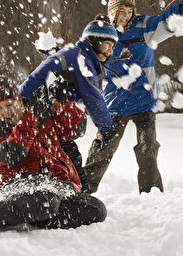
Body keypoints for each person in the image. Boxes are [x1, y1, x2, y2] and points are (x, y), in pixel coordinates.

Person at [0, 76, 106, 234]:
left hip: (56, 185)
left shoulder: (43, 115)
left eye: (9, 105)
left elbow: (77, 129)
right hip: (21, 185)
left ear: (19, 101)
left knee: (96, 209)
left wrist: (61, 104)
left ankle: (35, 216)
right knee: (44, 202)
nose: (5, 112)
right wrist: (30, 119)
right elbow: (13, 155)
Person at [82, 0, 183, 194]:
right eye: (121, 11)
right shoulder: (103, 32)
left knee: (148, 150)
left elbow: (166, 21)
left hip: (144, 100)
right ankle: (83, 190)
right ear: (112, 12)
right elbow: (83, 53)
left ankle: (151, 193)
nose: (126, 16)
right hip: (115, 101)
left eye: (129, 11)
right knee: (103, 149)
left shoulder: (143, 26)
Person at [19, 16, 119, 184]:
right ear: (94, 41)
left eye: (113, 47)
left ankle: (69, 189)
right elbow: (93, 100)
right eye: (108, 44)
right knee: (68, 159)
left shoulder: (76, 54)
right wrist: (107, 128)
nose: (110, 51)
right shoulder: (82, 61)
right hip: (36, 112)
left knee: (65, 153)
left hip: (37, 111)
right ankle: (75, 192)